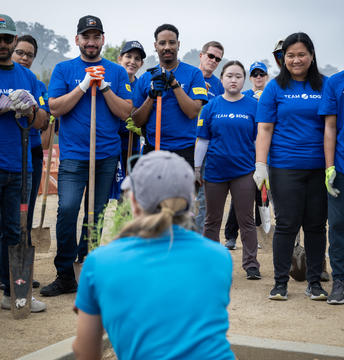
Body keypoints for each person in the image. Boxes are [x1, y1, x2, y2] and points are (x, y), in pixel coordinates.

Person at [73, 150, 235, 360]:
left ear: (135, 203)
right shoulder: (219, 256)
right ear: (190, 202)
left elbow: (85, 352)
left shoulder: (100, 261)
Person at [40, 15, 132, 297]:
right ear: (77, 39)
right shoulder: (64, 69)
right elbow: (55, 108)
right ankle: (65, 273)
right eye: (86, 37)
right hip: (73, 156)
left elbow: (126, 111)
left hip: (105, 155)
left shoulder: (116, 72)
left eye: (96, 36)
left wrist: (103, 87)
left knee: (95, 215)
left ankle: (86, 266)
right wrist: (82, 86)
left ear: (103, 39)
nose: (91, 42)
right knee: (67, 210)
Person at [254, 32, 328, 301]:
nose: (296, 60)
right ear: (283, 58)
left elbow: (333, 127)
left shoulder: (325, 86)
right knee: (286, 224)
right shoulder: (275, 88)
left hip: (319, 167)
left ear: (311, 56)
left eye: (301, 54)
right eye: (290, 55)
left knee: (317, 226)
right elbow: (264, 129)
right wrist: (260, 164)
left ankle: (315, 282)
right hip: (285, 166)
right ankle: (280, 282)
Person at [195, 61, 260, 280]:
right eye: (229, 76)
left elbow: (259, 139)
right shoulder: (211, 106)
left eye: (238, 76)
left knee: (246, 220)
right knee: (212, 220)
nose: (234, 80)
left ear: (244, 80)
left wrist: (262, 166)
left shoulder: (253, 106)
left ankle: (251, 264)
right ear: (222, 79)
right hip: (214, 172)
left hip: (244, 171)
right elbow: (202, 139)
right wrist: (197, 168)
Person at [0, 14, 48, 312]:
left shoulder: (28, 78)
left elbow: (43, 120)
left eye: (8, 38)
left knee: (16, 232)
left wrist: (29, 111)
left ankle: (14, 294)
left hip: (20, 168)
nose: (3, 44)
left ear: (14, 40)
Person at [318, 23, 344, 305]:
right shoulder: (336, 83)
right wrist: (329, 166)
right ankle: (341, 283)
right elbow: (330, 128)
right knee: (338, 227)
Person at [132, 24, 208, 167]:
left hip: (184, 151)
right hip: (153, 149)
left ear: (178, 44)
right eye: (162, 43)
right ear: (155, 46)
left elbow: (193, 112)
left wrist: (173, 83)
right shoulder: (145, 78)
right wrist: (151, 96)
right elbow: (136, 120)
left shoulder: (194, 74)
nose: (167, 47)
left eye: (172, 42)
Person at [12, 35, 50, 289]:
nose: (25, 58)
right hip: (7, 154)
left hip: (31, 154)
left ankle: (21, 271)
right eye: (20, 53)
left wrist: (33, 110)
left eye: (29, 54)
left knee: (24, 213)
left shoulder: (36, 84)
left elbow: (44, 123)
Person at [224, 62, 270, 250]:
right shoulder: (245, 96)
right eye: (255, 74)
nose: (258, 77)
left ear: (266, 76)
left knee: (263, 197)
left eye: (262, 74)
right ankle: (231, 235)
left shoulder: (271, 94)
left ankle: (261, 235)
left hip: (266, 153)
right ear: (250, 78)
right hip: (246, 153)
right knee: (239, 196)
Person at [195, 41, 224, 234]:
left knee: (202, 199)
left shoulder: (218, 87)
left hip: (206, 149)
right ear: (201, 55)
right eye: (210, 56)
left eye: (218, 59)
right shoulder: (189, 74)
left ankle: (195, 242)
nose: (213, 61)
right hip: (183, 144)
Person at [117, 40, 146, 173]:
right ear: (120, 59)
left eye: (137, 59)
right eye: (128, 56)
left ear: (141, 64)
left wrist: (141, 128)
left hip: (132, 146)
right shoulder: (109, 82)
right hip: (109, 147)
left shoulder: (142, 87)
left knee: (129, 190)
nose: (132, 61)